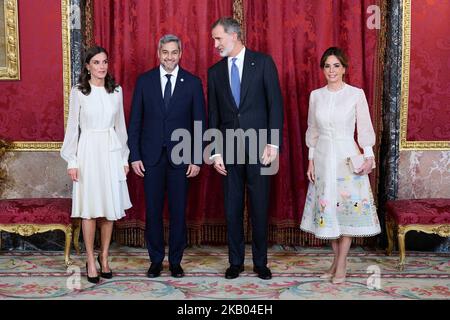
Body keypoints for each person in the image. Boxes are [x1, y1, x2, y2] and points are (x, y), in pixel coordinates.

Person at [208, 18, 283, 280]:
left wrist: (273, 143)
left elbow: (275, 105)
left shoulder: (262, 63)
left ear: (235, 35)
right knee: (232, 209)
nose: (215, 44)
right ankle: (235, 262)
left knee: (260, 207)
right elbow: (213, 116)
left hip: (261, 150)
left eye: (218, 38)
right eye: (214, 39)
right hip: (228, 152)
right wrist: (215, 152)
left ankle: (260, 263)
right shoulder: (215, 72)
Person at [300, 47, 381, 284]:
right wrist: (311, 160)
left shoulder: (356, 94)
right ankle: (335, 262)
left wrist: (368, 156)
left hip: (347, 157)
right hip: (323, 157)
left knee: (345, 210)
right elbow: (312, 130)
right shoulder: (316, 95)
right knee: (329, 211)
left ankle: (342, 263)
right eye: (327, 66)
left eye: (336, 66)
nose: (331, 70)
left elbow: (365, 128)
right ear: (323, 69)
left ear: (344, 68)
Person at [128, 34, 206, 278]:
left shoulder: (192, 83)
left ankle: (175, 261)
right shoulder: (145, 81)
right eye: (165, 52)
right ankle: (155, 260)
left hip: (181, 159)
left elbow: (199, 123)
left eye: (174, 52)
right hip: (150, 158)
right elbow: (135, 122)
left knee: (178, 212)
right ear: (158, 53)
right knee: (152, 211)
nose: (169, 57)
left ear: (180, 54)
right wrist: (135, 155)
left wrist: (196, 158)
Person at [61, 46, 132, 284]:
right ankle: (90, 259)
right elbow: (73, 128)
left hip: (111, 151)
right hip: (88, 152)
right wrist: (72, 160)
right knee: (90, 208)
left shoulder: (116, 91)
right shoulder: (79, 91)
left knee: (109, 208)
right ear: (88, 66)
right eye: (97, 62)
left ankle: (104, 256)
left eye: (104, 62)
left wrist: (124, 158)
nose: (102, 67)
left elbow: (120, 127)